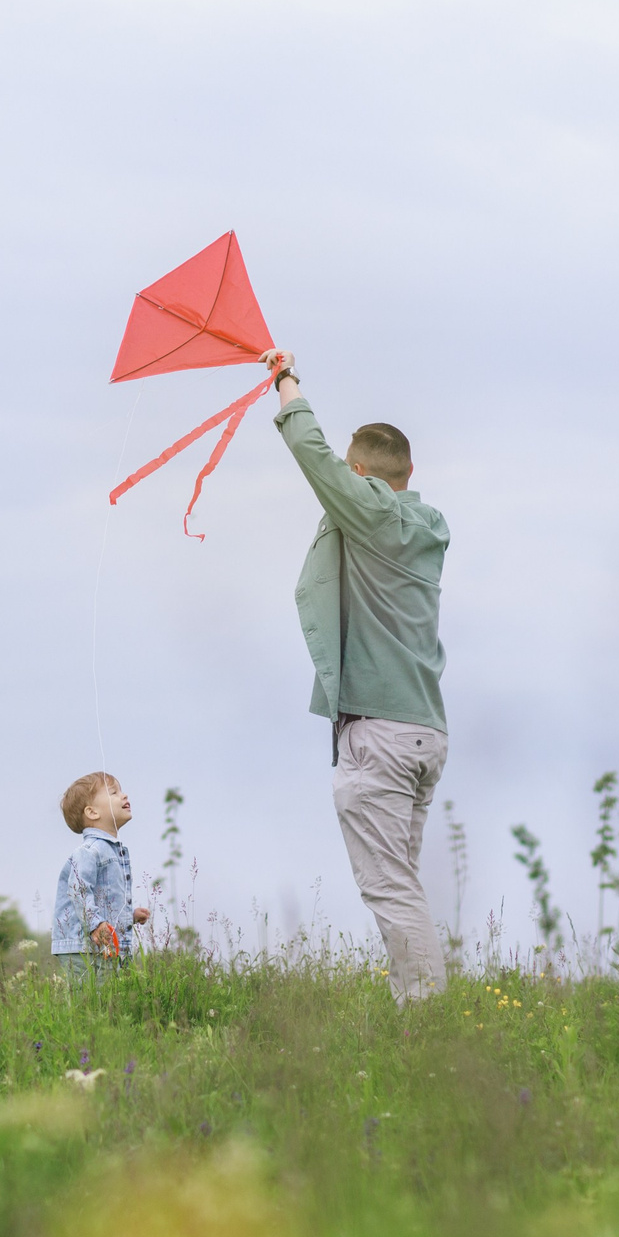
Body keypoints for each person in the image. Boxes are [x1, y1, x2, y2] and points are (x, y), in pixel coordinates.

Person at [260, 348, 450, 1004]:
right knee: (403, 885)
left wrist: (286, 384)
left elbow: (313, 455)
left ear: (363, 474)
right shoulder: (423, 528)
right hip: (425, 733)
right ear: (411, 473)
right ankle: (413, 1020)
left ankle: (429, 1021)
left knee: (390, 889)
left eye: (350, 473)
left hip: (383, 735)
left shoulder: (371, 512)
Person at [51, 771, 148, 979]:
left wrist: (128, 917)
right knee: (89, 1002)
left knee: (107, 1002)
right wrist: (96, 924)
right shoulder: (90, 851)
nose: (124, 796)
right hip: (83, 947)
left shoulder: (111, 851)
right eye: (113, 792)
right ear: (93, 812)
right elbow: (79, 890)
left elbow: (105, 901)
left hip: (103, 946)